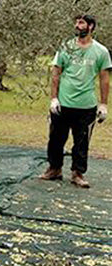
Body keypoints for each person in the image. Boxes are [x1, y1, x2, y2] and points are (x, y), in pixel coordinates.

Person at [40, 15, 110, 188]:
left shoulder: (101, 51)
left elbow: (104, 79)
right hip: (63, 104)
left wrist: (103, 104)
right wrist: (54, 98)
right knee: (56, 138)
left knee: (82, 141)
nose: (77, 26)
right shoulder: (66, 47)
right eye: (76, 22)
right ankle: (54, 169)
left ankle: (77, 173)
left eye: (81, 23)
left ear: (91, 26)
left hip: (86, 106)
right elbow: (56, 72)